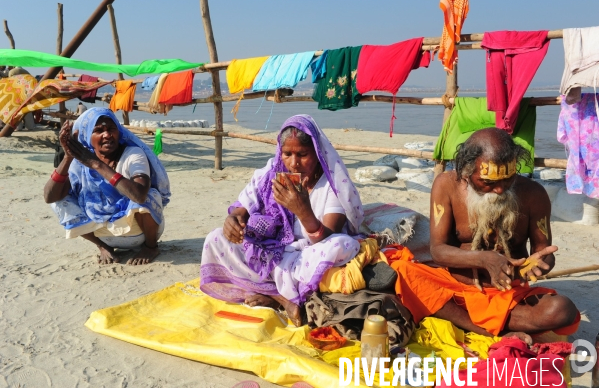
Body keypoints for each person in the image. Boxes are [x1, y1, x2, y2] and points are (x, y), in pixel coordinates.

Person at [391, 128, 579, 341]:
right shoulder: (446, 185)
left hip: (507, 295)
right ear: (466, 172)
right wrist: (485, 259)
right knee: (402, 271)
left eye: (508, 179)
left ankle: (467, 322)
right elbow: (438, 250)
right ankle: (491, 330)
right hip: (454, 289)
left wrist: (538, 263)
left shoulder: (534, 194)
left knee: (561, 310)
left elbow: (543, 251)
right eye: (488, 182)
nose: (500, 189)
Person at [200, 114, 364, 326]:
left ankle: (274, 294)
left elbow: (329, 237)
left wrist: (304, 212)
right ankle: (280, 297)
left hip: (305, 255)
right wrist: (232, 221)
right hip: (273, 250)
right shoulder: (271, 172)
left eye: (303, 154)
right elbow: (242, 209)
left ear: (316, 152)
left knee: (342, 245)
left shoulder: (331, 184)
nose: (294, 163)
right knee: (216, 239)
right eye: (287, 154)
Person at [43, 107, 171, 265]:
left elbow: (139, 195)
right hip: (103, 233)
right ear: (87, 136)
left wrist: (97, 165)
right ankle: (103, 247)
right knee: (60, 202)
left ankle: (151, 248)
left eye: (112, 129)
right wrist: (68, 157)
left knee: (150, 195)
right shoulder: (80, 162)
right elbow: (50, 197)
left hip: (139, 233)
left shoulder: (132, 154)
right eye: (98, 130)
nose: (107, 135)